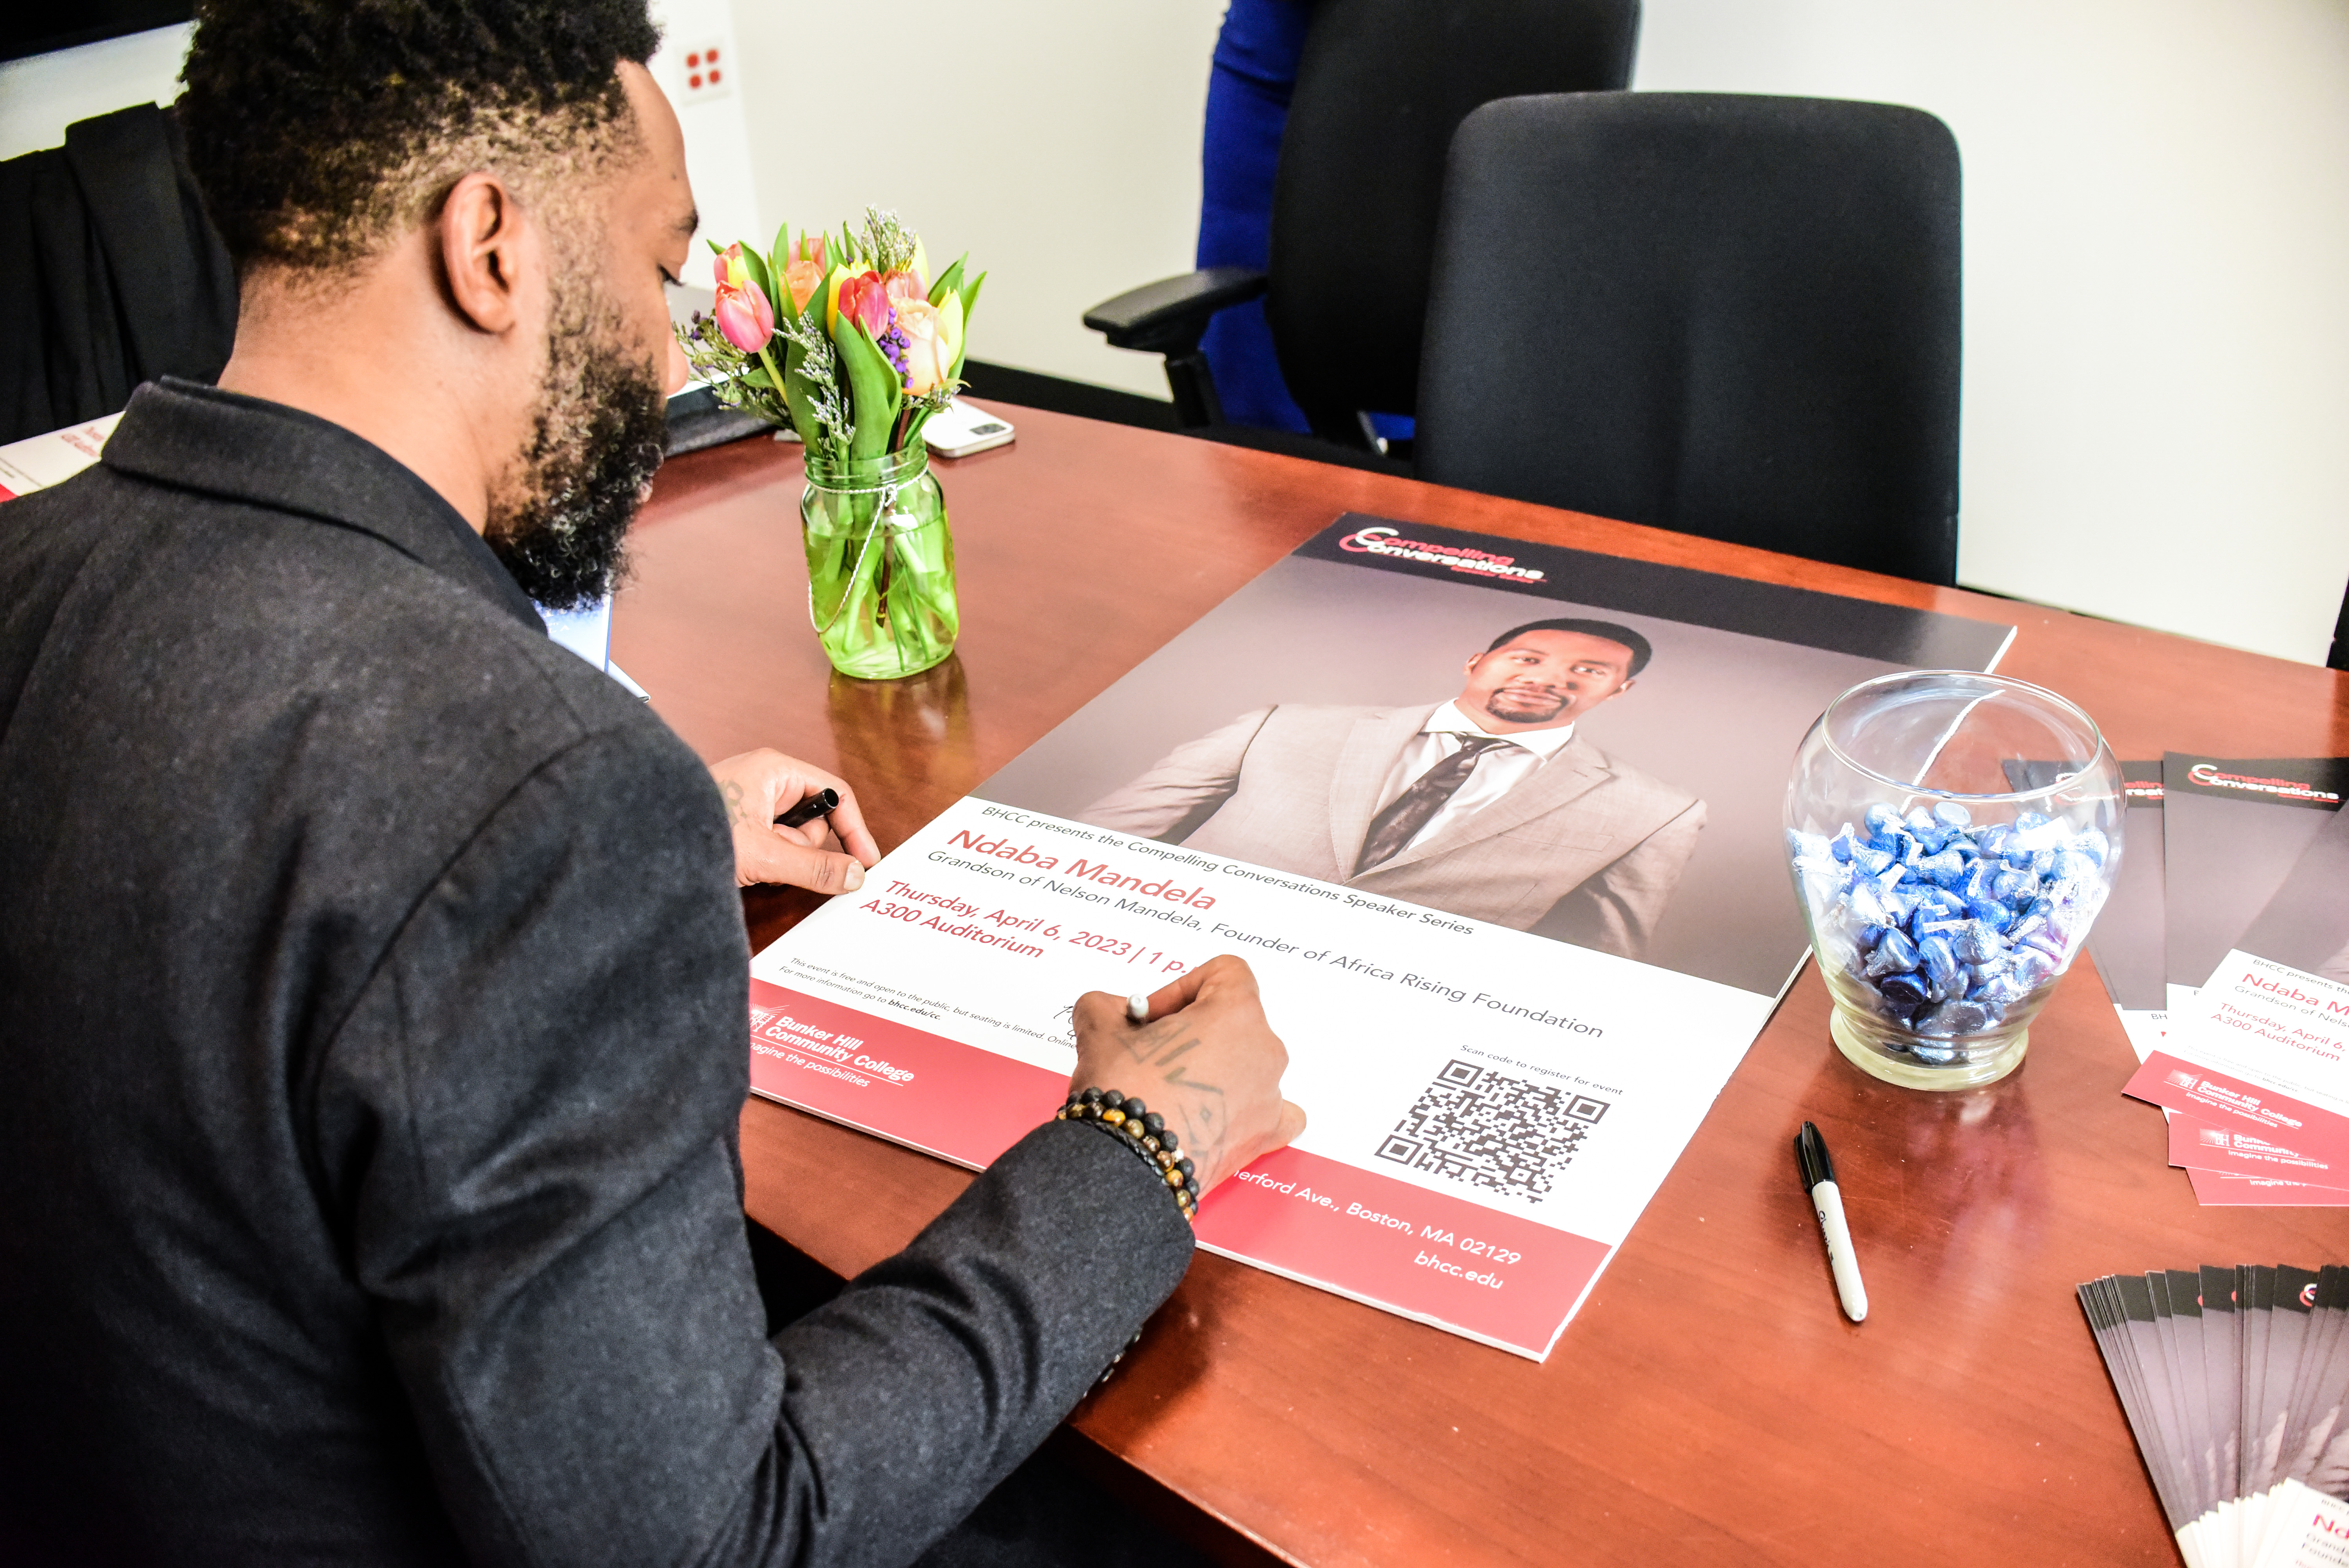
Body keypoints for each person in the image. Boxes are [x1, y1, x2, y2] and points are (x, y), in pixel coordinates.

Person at [0, 1, 1303, 1562]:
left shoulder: (31, 569)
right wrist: (1138, 1146)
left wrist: (638, 822)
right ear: (492, 245)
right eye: (659, 261)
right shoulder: (530, 791)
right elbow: (712, 1538)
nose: (674, 342)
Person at [1082, 619, 1706, 959]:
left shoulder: (1657, 812)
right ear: (1476, 662)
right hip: (1157, 956)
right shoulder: (1286, 723)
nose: (1548, 679)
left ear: (1618, 692)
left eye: (1588, 672)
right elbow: (1099, 838)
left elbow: (1596, 965)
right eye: (1526, 658)